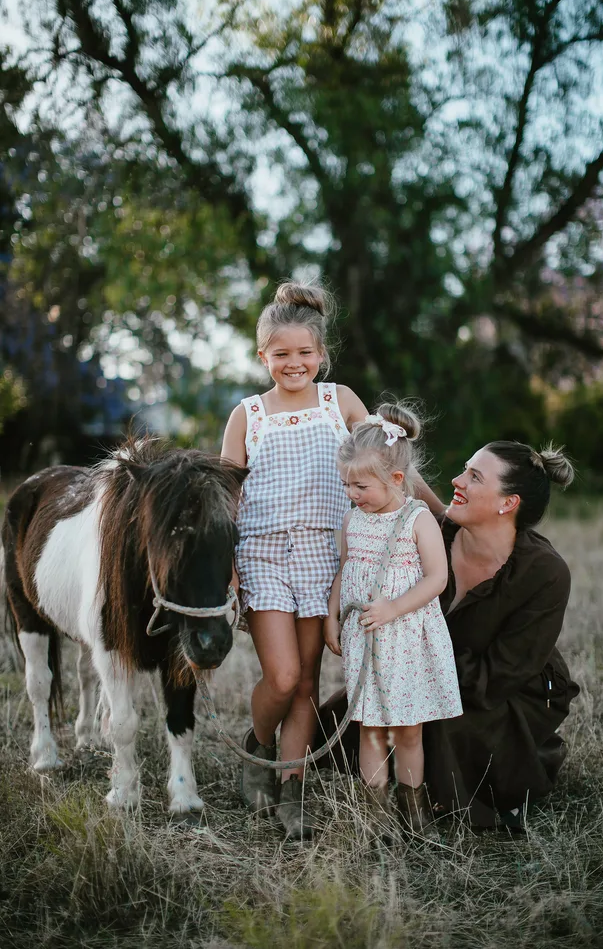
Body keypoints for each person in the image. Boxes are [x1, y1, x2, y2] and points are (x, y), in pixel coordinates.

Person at [317, 440, 580, 834]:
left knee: (430, 720)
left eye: (474, 477)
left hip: (503, 692)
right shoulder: (431, 532)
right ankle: (373, 800)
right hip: (408, 663)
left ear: (508, 503)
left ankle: (430, 804)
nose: (457, 480)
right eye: (464, 468)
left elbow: (503, 674)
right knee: (347, 714)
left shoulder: (545, 574)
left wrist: (423, 671)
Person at [221, 281, 367, 841]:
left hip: (325, 554)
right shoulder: (248, 414)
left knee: (306, 682)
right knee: (280, 677)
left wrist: (433, 510)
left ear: (322, 355)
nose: (295, 363)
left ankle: (292, 788)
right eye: (281, 354)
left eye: (305, 353)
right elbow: (225, 495)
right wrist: (227, 564)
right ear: (264, 358)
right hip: (260, 553)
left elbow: (387, 463)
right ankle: (258, 747)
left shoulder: (341, 402)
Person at [323, 404, 463, 833]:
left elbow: (438, 578)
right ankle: (376, 811)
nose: (352, 493)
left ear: (396, 480)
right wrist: (332, 617)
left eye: (360, 485)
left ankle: (415, 807)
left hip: (407, 638)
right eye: (346, 484)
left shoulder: (417, 519)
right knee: (368, 729)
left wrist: (393, 609)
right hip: (366, 638)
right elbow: (344, 570)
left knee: (407, 731)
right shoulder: (352, 519)